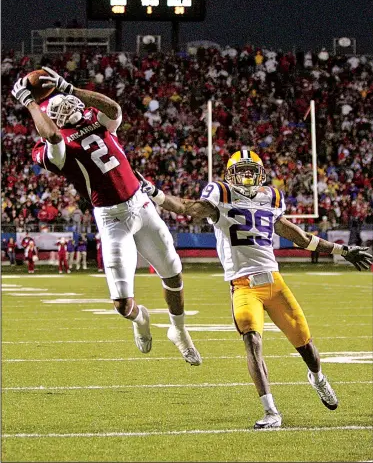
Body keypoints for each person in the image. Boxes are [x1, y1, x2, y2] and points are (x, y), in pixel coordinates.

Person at [137, 149, 373, 428]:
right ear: (230, 173)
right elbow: (187, 207)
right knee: (252, 341)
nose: (247, 175)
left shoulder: (271, 197)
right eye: (242, 170)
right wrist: (156, 193)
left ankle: (317, 377)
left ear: (259, 173)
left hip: (274, 282)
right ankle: (271, 411)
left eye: (252, 170)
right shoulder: (220, 195)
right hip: (243, 286)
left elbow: (299, 237)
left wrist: (342, 249)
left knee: (305, 344)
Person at [11, 69, 201, 366]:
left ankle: (179, 331)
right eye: (58, 107)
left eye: (69, 103)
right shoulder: (54, 147)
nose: (68, 108)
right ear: (51, 116)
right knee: (123, 304)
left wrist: (68, 87)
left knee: (173, 274)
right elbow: (50, 135)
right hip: (112, 219)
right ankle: (141, 320)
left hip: (141, 204)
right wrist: (29, 102)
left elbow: (113, 109)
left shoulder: (95, 121)